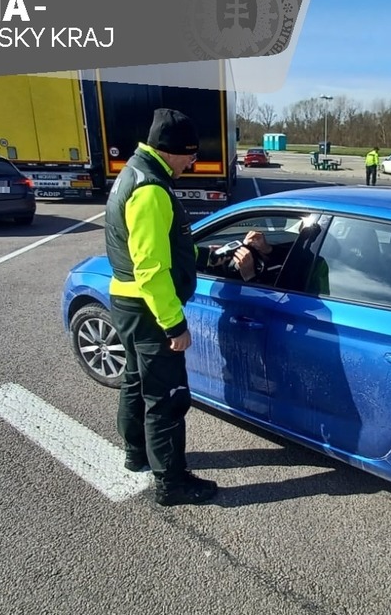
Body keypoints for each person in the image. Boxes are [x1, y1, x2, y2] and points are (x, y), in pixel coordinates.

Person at [104, 108, 220, 507]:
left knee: (136, 383)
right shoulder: (151, 190)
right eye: (190, 154)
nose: (193, 162)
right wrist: (174, 326)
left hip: (128, 302)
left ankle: (136, 455)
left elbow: (168, 249)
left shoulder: (134, 173)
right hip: (149, 309)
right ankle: (172, 484)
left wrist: (209, 257)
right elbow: (152, 268)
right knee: (167, 397)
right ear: (171, 151)